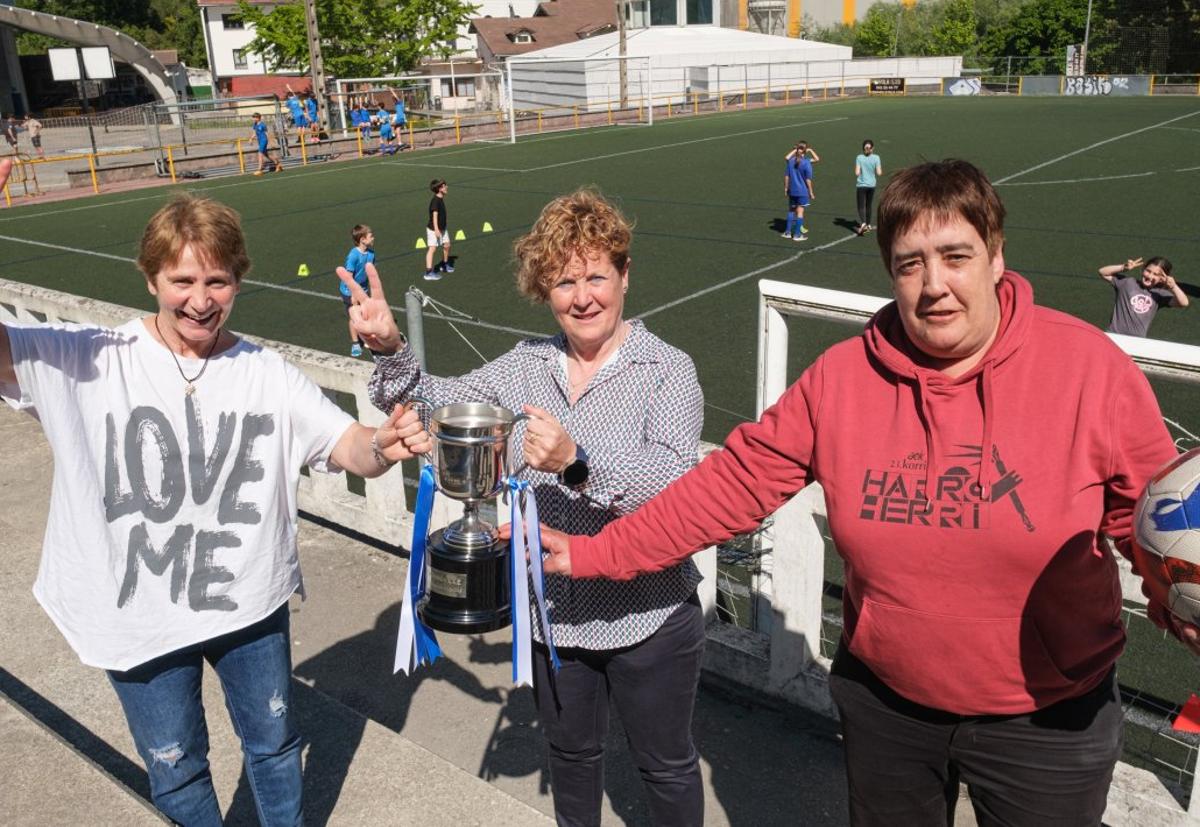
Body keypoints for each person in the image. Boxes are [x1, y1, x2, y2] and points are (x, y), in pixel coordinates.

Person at [537, 160, 1190, 826]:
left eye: (956, 256)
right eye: (910, 264)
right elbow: (728, 486)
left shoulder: (1089, 370)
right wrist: (594, 553)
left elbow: (1154, 519)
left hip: (1048, 719)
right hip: (888, 707)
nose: (934, 285)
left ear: (996, 257)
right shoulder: (843, 379)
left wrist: (1179, 596)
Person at [0, 193, 431, 826]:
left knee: (275, 747)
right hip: (136, 617)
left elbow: (349, 447)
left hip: (249, 605)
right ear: (150, 278)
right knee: (176, 770)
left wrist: (383, 446)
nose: (201, 300)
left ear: (238, 280)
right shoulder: (88, 356)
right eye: (182, 281)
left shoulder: (267, 372)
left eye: (217, 281)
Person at [342, 188, 708, 827]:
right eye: (564, 282)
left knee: (665, 766)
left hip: (648, 613)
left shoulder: (667, 370)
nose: (583, 297)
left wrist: (575, 463)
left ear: (625, 275)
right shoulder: (526, 366)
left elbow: (673, 483)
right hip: (554, 613)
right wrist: (390, 345)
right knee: (571, 756)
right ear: (545, 291)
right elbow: (442, 405)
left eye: (596, 276)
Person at [1100, 256, 1188, 338]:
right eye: (1148, 271)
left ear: (1162, 279)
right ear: (1143, 269)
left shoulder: (1160, 294)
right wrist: (1123, 267)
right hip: (1113, 335)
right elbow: (1102, 272)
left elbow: (1184, 303)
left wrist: (1173, 286)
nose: (1150, 276)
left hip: (1138, 341)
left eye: (1156, 274)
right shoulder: (1127, 283)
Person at [337, 223, 376, 357]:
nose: (373, 238)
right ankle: (355, 343)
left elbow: (370, 273)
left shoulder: (371, 254)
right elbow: (348, 277)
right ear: (362, 240)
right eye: (371, 236)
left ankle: (366, 338)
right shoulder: (353, 256)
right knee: (355, 316)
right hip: (349, 291)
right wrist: (354, 294)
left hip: (362, 289)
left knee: (366, 313)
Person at [782, 141, 813, 241]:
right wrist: (811, 192)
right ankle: (797, 235)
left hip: (792, 190)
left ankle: (787, 232)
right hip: (802, 192)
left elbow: (786, 176)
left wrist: (786, 188)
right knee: (800, 212)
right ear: (805, 151)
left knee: (791, 210)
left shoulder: (791, 161)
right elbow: (808, 180)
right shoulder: (806, 162)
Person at [424, 178, 452, 280]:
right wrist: (436, 229)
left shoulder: (440, 199)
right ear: (440, 189)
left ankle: (444, 264)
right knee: (432, 248)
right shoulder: (435, 201)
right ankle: (428, 272)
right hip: (434, 229)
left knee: (447, 245)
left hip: (442, 228)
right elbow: (434, 216)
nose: (446, 187)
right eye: (444, 186)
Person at [854, 139, 882, 235]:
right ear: (872, 148)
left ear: (863, 148)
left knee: (861, 205)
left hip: (861, 185)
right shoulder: (876, 158)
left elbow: (857, 173)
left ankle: (863, 224)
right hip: (872, 185)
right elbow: (879, 173)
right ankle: (869, 225)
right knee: (868, 205)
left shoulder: (859, 157)